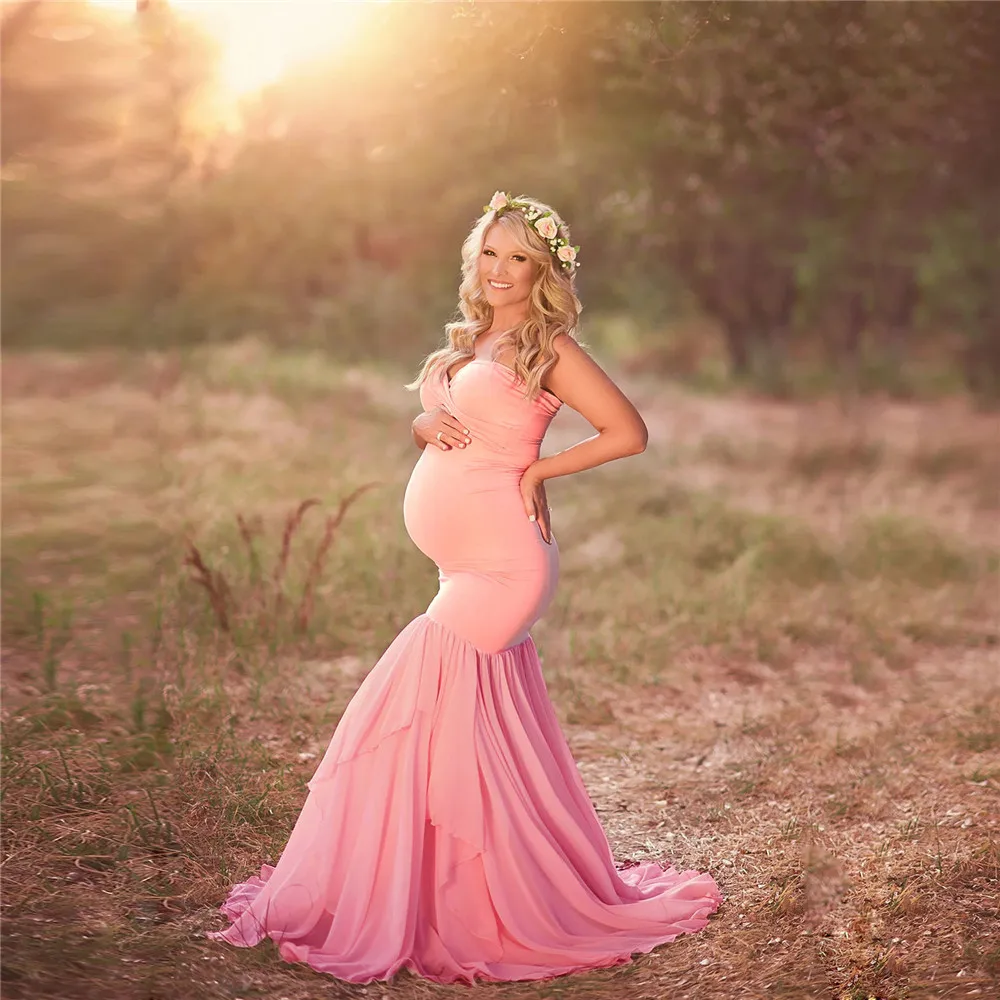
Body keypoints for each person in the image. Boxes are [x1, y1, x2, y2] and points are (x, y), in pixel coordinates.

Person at [206, 192, 723, 983]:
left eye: (520, 257)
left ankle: (466, 905)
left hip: (503, 565)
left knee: (406, 705)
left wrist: (543, 467)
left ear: (544, 269)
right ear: (473, 261)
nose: (502, 270)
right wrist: (421, 425)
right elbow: (441, 416)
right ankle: (458, 895)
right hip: (459, 562)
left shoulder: (548, 345)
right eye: (491, 253)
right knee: (462, 737)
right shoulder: (475, 339)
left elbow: (629, 432)